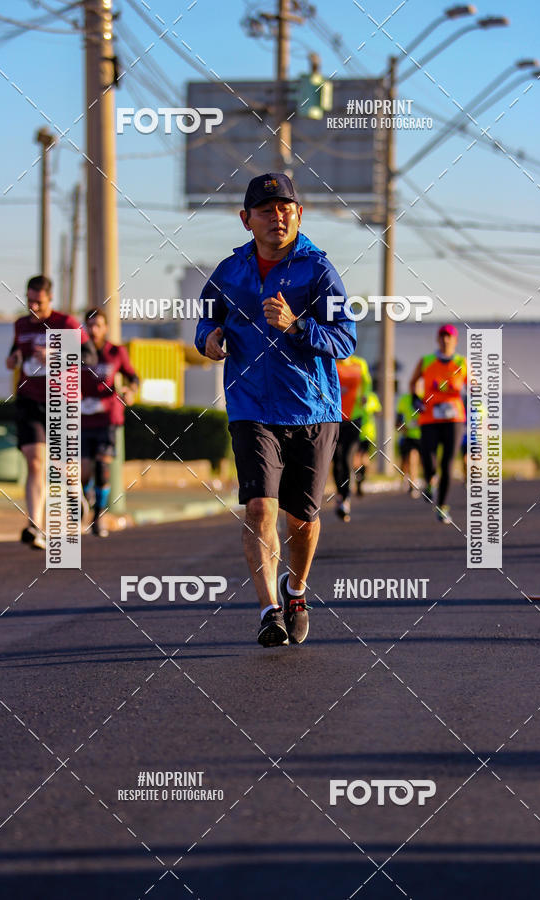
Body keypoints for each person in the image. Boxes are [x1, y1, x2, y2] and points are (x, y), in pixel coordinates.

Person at [195, 172, 356, 647]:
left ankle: (296, 590)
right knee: (260, 507)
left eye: (286, 208)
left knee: (301, 519)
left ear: (299, 214)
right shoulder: (228, 272)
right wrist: (209, 338)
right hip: (251, 407)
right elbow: (205, 318)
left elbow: (345, 339)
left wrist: (296, 327)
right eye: (266, 210)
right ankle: (269, 610)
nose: (277, 217)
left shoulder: (318, 271)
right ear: (246, 220)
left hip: (312, 408)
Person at [6, 275, 97, 550]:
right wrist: (12, 360)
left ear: (50, 299)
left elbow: (89, 356)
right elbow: (15, 353)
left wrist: (56, 355)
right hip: (30, 400)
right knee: (35, 462)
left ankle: (74, 494)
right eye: (29, 300)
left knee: (62, 467)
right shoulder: (21, 325)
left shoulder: (66, 323)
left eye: (39, 301)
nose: (33, 306)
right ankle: (35, 527)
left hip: (62, 399)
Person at [81, 308, 139, 536]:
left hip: (108, 418)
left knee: (102, 465)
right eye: (90, 325)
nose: (94, 330)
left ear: (105, 328)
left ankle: (98, 516)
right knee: (84, 471)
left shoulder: (116, 352)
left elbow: (132, 376)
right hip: (83, 417)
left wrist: (131, 389)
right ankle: (86, 496)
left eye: (98, 325)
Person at [408, 324, 467, 525]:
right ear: (437, 339)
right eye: (442, 336)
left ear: (455, 341)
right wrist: (415, 400)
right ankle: (430, 479)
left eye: (449, 337)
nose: (445, 340)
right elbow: (413, 382)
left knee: (448, 463)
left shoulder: (462, 362)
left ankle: (442, 507)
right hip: (430, 418)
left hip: (454, 419)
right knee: (428, 457)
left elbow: (474, 385)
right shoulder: (426, 361)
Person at [333, 354, 375, 520]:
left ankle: (345, 497)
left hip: (354, 418)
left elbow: (367, 385)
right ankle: (339, 494)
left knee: (346, 457)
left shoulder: (360, 364)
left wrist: (365, 396)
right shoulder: (330, 361)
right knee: (336, 458)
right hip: (334, 418)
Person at [396, 390, 422, 497]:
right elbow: (398, 420)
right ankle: (405, 479)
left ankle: (413, 483)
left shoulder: (425, 397)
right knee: (405, 461)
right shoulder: (404, 399)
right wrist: (402, 427)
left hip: (421, 436)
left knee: (414, 459)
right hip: (407, 436)